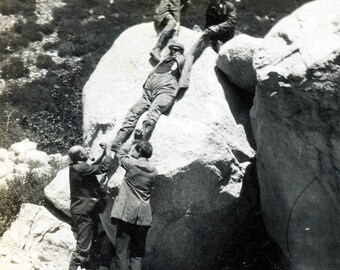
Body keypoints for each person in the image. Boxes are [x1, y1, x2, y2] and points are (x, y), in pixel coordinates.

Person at [111, 41, 186, 152]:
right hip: (148, 92)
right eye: (171, 49)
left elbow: (188, 57)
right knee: (133, 111)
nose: (172, 51)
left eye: (176, 49)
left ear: (181, 52)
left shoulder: (181, 60)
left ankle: (136, 145)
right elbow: (154, 53)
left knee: (152, 113)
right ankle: (117, 141)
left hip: (165, 90)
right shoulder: (163, 60)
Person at [111, 136, 157, 270]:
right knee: (137, 255)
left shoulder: (132, 164)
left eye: (134, 150)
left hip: (127, 214)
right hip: (144, 217)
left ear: (139, 151)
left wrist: (132, 141)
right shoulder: (154, 171)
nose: (132, 152)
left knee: (122, 252)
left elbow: (120, 154)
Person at [68, 144, 113, 270]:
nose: (88, 151)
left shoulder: (77, 167)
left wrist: (104, 154)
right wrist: (109, 152)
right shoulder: (80, 168)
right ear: (81, 156)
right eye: (85, 151)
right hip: (84, 212)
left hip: (85, 211)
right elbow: (102, 168)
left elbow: (91, 167)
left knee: (93, 244)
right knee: (83, 248)